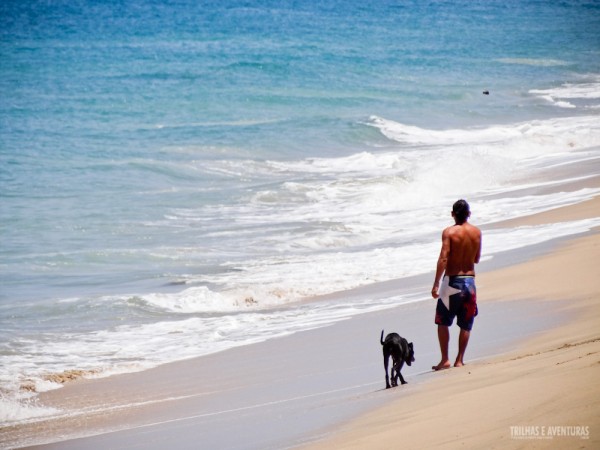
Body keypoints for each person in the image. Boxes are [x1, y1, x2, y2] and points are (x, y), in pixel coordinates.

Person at [431, 199, 482, 370]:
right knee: (466, 322)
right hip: (470, 283)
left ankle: (445, 359)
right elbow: (476, 258)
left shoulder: (449, 232)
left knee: (442, 321)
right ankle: (459, 359)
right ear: (469, 214)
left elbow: (444, 258)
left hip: (452, 283)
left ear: (452, 214)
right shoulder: (477, 232)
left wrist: (436, 283)